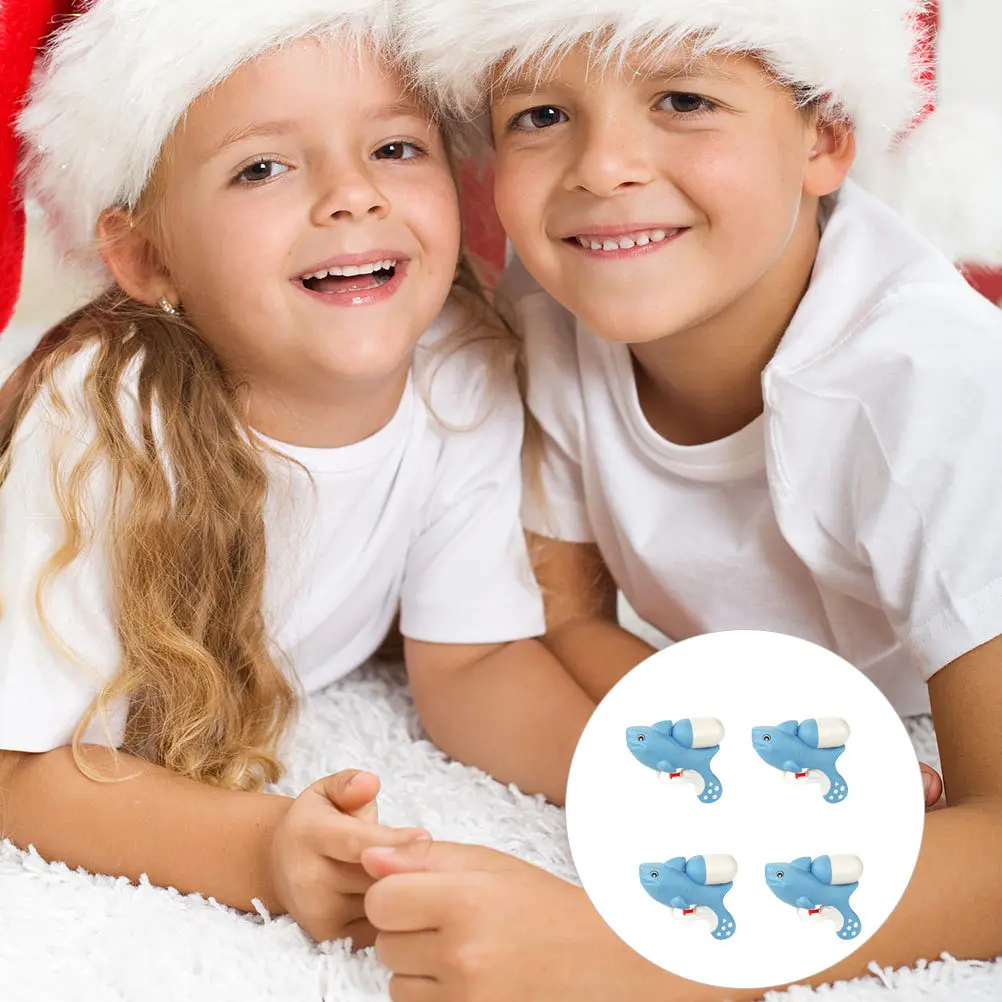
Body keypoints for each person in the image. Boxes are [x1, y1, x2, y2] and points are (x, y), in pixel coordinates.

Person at [358, 0, 1002, 998]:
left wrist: (651, 956)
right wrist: (732, 759)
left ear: (825, 137)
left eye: (685, 99)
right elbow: (564, 616)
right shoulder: (548, 310)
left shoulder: (933, 388)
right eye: (539, 116)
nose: (602, 167)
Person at [0, 0, 594, 950]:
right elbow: (15, 768)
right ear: (146, 257)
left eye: (395, 148)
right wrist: (261, 849)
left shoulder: (459, 364)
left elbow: (473, 663)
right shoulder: (100, 422)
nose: (353, 195)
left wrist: (629, 783)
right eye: (262, 168)